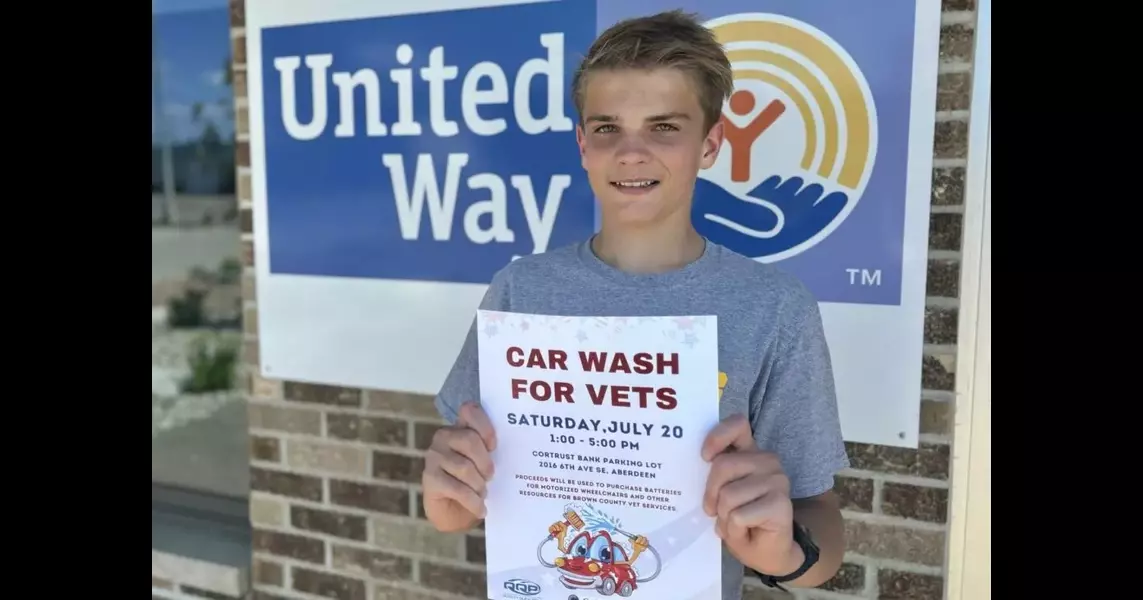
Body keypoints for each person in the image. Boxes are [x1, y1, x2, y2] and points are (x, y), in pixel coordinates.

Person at [420, 9, 849, 598]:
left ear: (710, 144)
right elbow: (456, 510)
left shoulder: (774, 308)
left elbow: (822, 530)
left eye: (664, 127)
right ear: (582, 144)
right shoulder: (522, 291)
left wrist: (785, 551)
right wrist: (447, 496)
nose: (630, 152)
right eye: (607, 128)